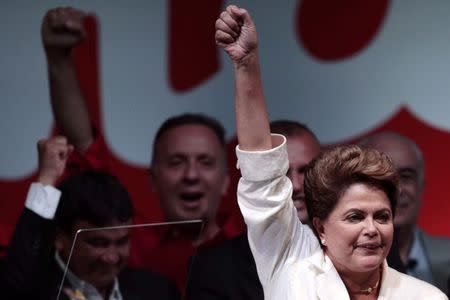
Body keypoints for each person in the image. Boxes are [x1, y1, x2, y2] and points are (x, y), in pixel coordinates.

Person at [215, 4, 447, 299]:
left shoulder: (426, 297)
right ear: (320, 228)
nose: (372, 229)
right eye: (355, 217)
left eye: (382, 216)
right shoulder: (290, 265)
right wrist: (246, 64)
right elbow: (261, 170)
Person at [41, 6, 235, 290]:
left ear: (227, 180)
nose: (191, 174)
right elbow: (82, 142)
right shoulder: (127, 240)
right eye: (176, 162)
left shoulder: (254, 245)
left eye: (205, 161)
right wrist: (58, 59)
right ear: (153, 180)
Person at [2, 137, 180, 300]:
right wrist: (47, 179)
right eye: (98, 242)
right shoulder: (31, 289)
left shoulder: (158, 291)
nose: (111, 257)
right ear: (60, 238)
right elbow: (15, 283)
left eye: (121, 241)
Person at [185, 120, 321, 300]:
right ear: (257, 179)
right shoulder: (212, 268)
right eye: (283, 172)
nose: (295, 185)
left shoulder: (348, 254)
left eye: (305, 171)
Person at [361, 131, 450, 293]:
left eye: (406, 176)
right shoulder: (328, 265)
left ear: (421, 185)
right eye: (383, 178)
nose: (398, 189)